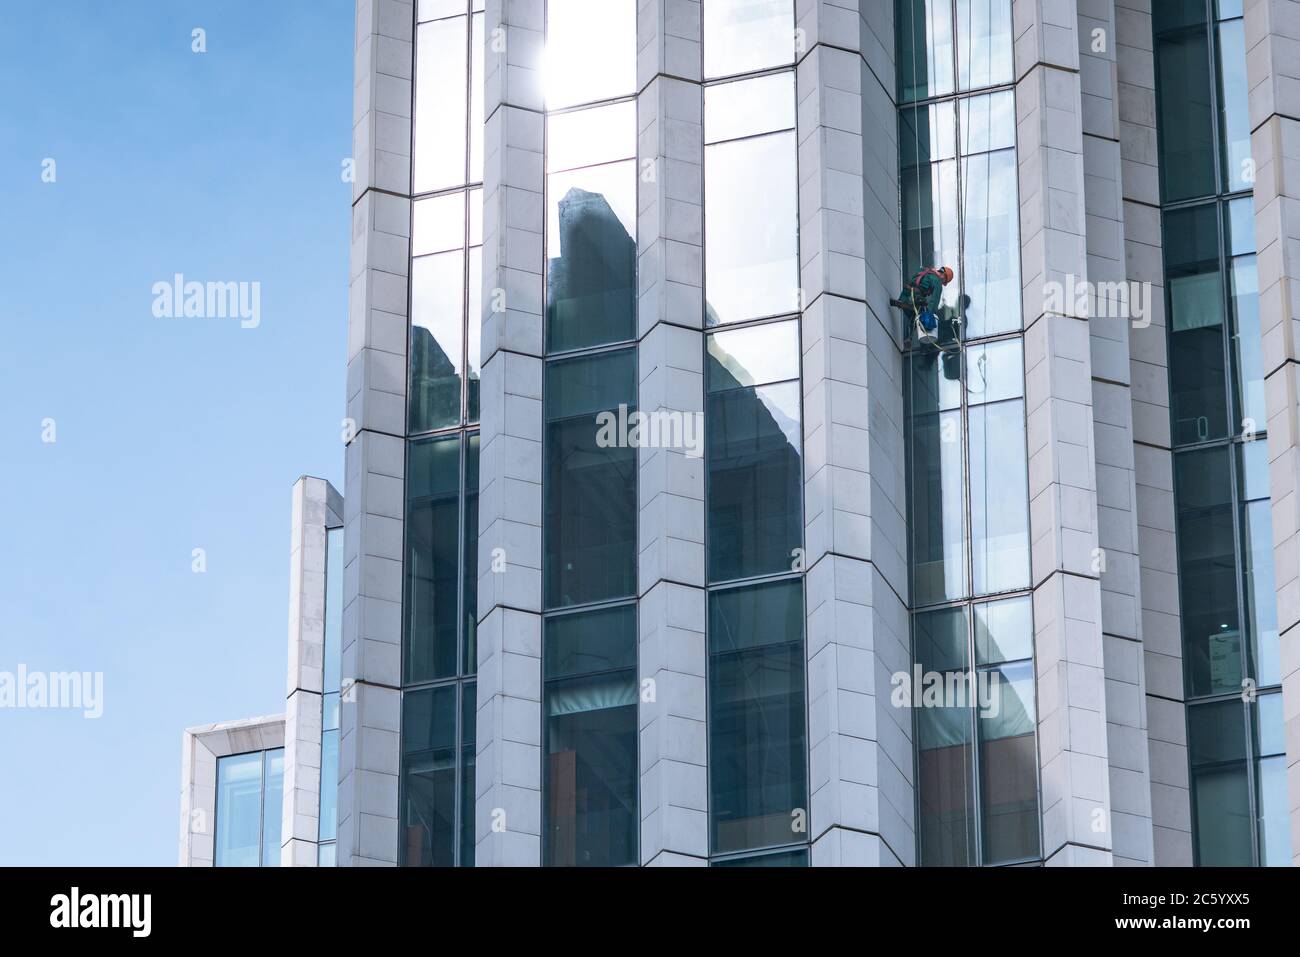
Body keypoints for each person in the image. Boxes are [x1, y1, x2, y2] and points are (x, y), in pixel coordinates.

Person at [891, 266, 953, 347]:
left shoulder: (926, 271)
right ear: (943, 276)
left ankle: (902, 303)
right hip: (916, 296)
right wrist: (931, 315)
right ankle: (909, 338)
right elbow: (935, 299)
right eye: (944, 281)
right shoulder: (937, 281)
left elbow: (913, 281)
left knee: (913, 316)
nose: (942, 282)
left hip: (906, 292)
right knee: (921, 315)